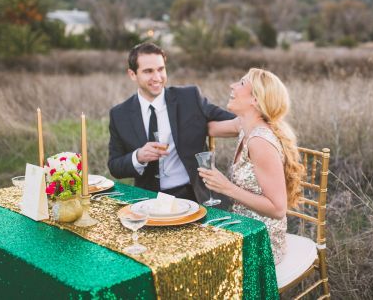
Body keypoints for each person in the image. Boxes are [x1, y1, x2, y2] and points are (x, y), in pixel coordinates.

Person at [198, 68, 304, 264]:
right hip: (243, 226)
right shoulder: (244, 124)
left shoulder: (259, 142)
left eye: (241, 83)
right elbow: (209, 128)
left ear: (255, 100)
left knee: (200, 261)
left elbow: (277, 209)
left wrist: (226, 188)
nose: (232, 85)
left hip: (262, 241)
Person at [108, 42, 235, 203]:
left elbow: (229, 119)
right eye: (148, 71)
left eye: (161, 69)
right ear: (132, 74)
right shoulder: (120, 114)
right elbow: (114, 166)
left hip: (195, 195)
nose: (157, 77)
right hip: (150, 200)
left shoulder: (189, 97)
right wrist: (138, 156)